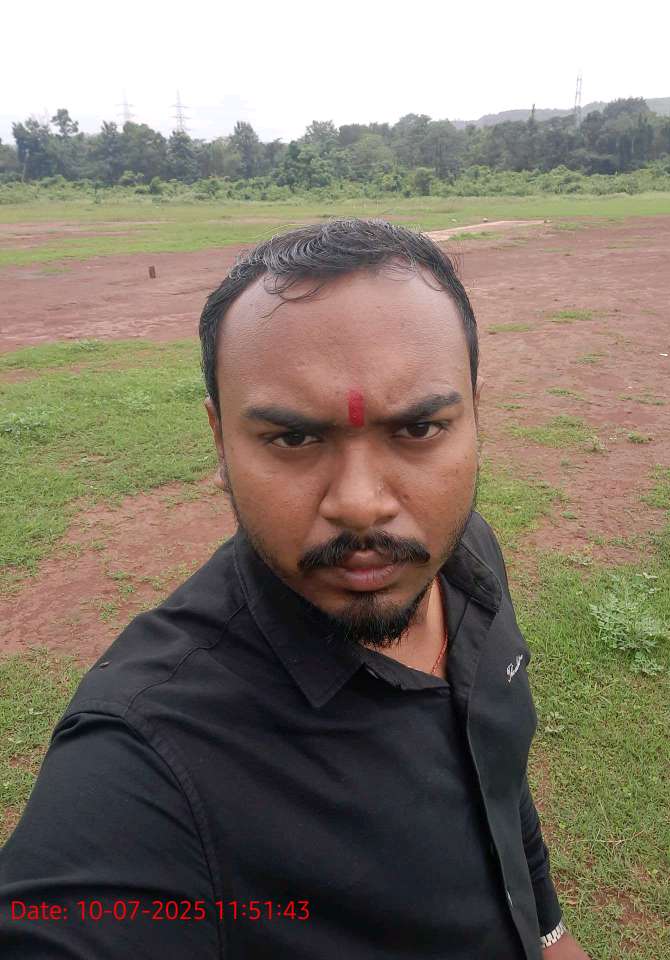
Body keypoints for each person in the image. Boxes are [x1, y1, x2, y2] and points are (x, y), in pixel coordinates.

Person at [0, 219, 590, 959]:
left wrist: (548, 933)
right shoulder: (151, 757)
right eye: (294, 438)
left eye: (418, 429)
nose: (362, 505)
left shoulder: (465, 556)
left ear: (476, 415)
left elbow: (499, 787)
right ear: (220, 441)